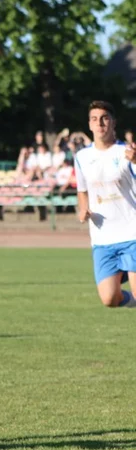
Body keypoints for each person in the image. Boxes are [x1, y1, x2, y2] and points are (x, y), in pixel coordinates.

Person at [74, 101, 136, 308]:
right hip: (102, 238)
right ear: (89, 125)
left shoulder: (126, 152)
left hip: (132, 233)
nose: (99, 123)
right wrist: (83, 208)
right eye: (94, 119)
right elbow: (82, 190)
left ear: (113, 122)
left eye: (104, 118)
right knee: (109, 299)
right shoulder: (82, 157)